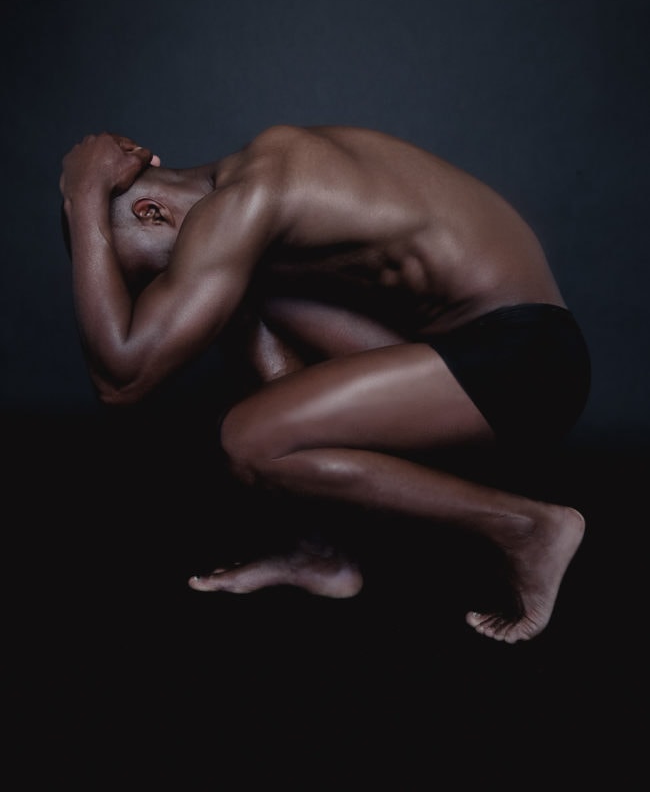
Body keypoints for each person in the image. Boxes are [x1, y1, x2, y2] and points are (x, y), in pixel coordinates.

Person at [60, 124, 591, 643]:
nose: (158, 295)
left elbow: (122, 381)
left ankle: (525, 528)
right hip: (485, 347)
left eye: (147, 278)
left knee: (249, 441)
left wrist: (83, 196)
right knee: (244, 297)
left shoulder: (247, 197)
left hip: (530, 364)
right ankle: (320, 552)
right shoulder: (254, 179)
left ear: (151, 211)